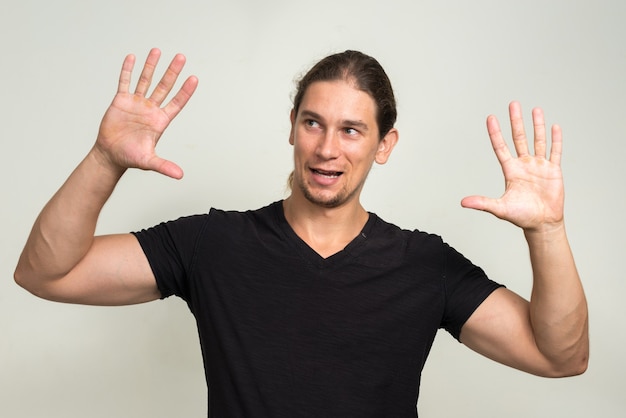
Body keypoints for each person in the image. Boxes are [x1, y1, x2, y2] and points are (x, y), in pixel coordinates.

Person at [14, 48, 588, 417]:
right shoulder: (213, 245)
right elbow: (45, 272)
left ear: (384, 145)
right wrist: (104, 158)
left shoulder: (425, 265)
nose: (326, 148)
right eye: (313, 122)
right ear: (292, 127)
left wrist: (548, 230)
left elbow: (561, 356)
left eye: (352, 130)